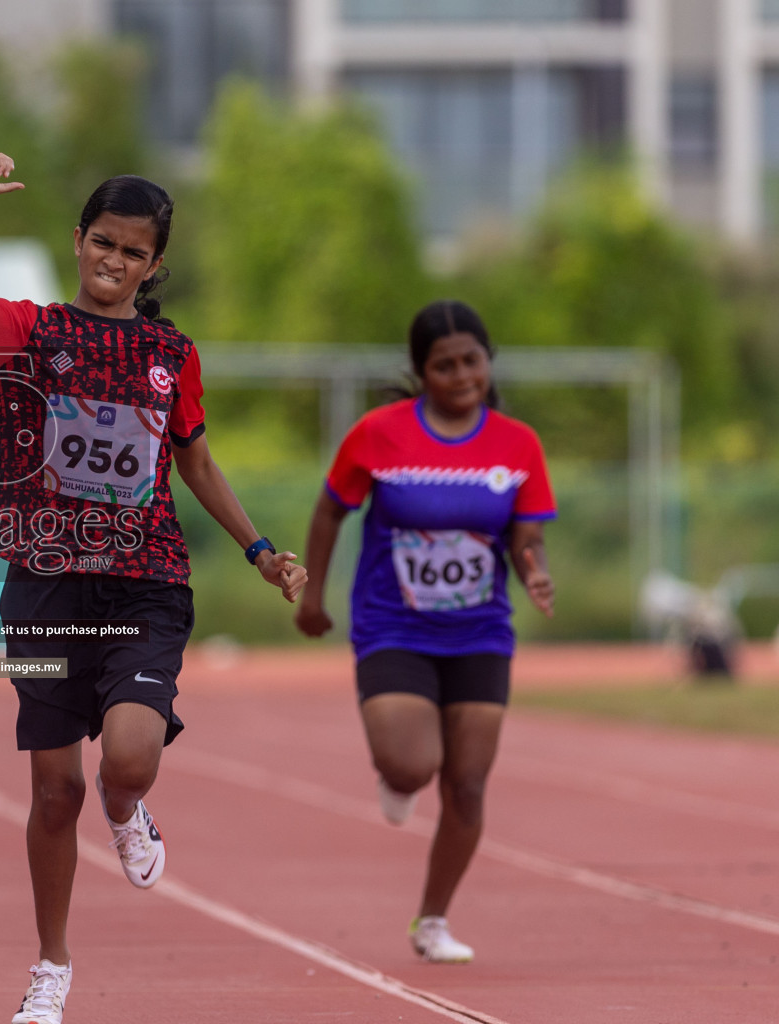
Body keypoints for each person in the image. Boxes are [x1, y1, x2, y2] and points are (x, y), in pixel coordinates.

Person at [0, 154, 308, 1024]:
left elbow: (191, 455)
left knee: (124, 760)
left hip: (145, 583)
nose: (113, 262)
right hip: (45, 590)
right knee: (55, 793)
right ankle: (52, 966)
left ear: (155, 266)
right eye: (101, 243)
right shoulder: (26, 330)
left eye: (133, 253)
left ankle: (131, 807)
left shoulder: (171, 354)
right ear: (78, 241)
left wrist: (260, 549)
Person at [293, 300, 555, 964]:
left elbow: (527, 535)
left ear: (486, 361)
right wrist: (313, 597)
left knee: (467, 784)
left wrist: (535, 573)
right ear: (421, 371)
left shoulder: (517, 443)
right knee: (414, 763)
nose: (461, 374)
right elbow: (330, 511)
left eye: (471, 360)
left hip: (480, 632)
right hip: (393, 625)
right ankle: (398, 775)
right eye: (444, 365)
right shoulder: (378, 434)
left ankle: (431, 920)